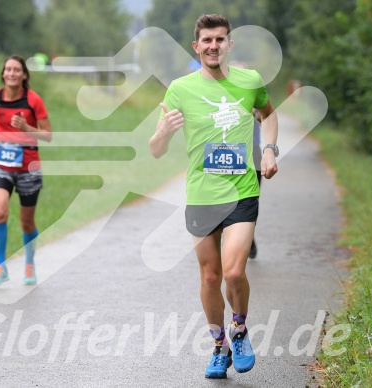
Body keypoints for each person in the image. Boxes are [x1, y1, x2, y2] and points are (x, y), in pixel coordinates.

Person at [149, 14, 278, 379]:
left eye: (220, 40)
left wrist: (269, 149)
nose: (213, 46)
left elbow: (269, 115)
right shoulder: (180, 89)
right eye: (207, 40)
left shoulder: (250, 81)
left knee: (234, 272)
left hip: (242, 192)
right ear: (196, 46)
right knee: (209, 278)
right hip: (202, 195)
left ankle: (240, 330)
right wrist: (163, 132)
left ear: (229, 45)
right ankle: (219, 345)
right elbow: (156, 150)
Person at [0, 55, 53, 286]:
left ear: (24, 75)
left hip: (28, 167)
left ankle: (29, 263)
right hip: (1, 164)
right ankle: (1, 267)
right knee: (0, 212)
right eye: (8, 70)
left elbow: (48, 135)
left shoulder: (33, 101)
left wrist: (27, 127)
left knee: (27, 223)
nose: (11, 73)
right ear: (3, 74)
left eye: (16, 70)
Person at [249, 109, 262, 259]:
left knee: (251, 198)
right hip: (219, 151)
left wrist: (256, 113)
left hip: (252, 151)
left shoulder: (253, 87)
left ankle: (248, 236)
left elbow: (267, 116)